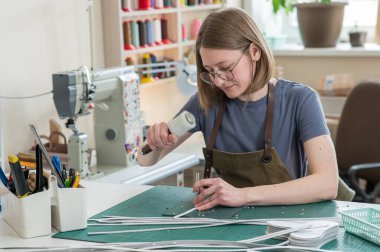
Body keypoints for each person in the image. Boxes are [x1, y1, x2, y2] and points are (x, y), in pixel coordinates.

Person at [137, 7, 354, 211]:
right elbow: (145, 160)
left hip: (293, 222)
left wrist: (243, 195)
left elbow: (327, 184)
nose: (219, 81)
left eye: (225, 68)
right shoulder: (205, 102)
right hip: (230, 223)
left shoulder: (300, 100)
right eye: (210, 71)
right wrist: (154, 142)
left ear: (255, 51)